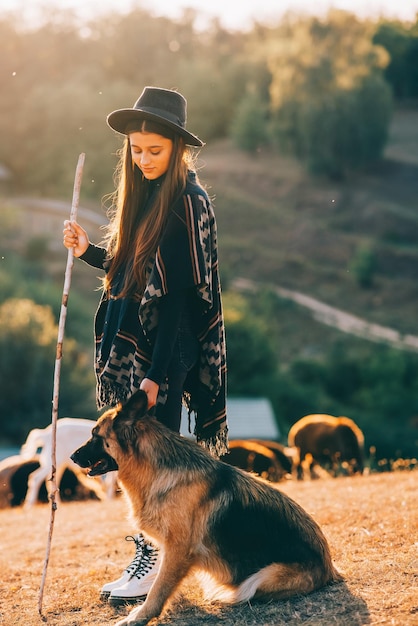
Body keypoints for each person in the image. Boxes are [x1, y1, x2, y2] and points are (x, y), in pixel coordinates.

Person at [63, 86, 228, 605]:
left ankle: (155, 561)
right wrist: (90, 251)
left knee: (156, 462)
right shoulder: (147, 197)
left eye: (154, 150)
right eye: (136, 150)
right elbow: (131, 269)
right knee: (133, 461)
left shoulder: (187, 202)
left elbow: (178, 300)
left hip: (167, 353)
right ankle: (148, 555)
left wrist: (157, 377)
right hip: (136, 351)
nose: (143, 159)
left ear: (179, 149)